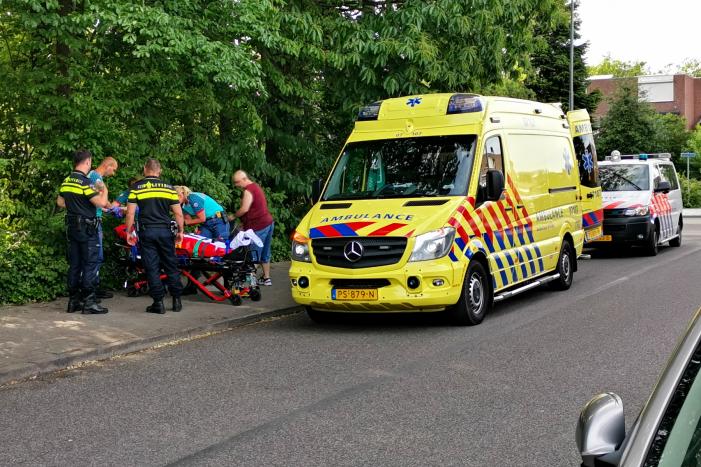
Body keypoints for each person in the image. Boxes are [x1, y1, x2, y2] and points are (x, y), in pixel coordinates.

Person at [125, 159, 185, 314]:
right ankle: (177, 300)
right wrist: (180, 231)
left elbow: (130, 212)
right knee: (171, 264)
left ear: (145, 169)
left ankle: (158, 303)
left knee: (152, 267)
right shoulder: (169, 188)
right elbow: (178, 213)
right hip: (165, 232)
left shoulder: (136, 187)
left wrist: (128, 231)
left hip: (147, 232)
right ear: (160, 171)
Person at [56, 149, 109, 314]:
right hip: (87, 228)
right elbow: (101, 203)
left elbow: (60, 202)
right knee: (90, 264)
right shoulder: (85, 182)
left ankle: (73, 301)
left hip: (72, 227)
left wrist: (76, 205)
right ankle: (89, 302)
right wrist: (103, 189)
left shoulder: (67, 180)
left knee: (75, 264)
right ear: (87, 162)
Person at [230, 170, 274, 286]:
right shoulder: (256, 187)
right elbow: (255, 209)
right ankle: (266, 278)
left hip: (258, 226)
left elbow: (244, 209)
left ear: (244, 179)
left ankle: (251, 284)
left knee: (253, 255)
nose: (236, 185)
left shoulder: (248, 191)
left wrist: (234, 216)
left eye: (237, 182)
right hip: (268, 222)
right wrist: (243, 224)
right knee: (265, 252)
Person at [87, 156, 118, 299]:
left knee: (95, 256)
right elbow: (103, 202)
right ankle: (91, 289)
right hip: (93, 221)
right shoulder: (96, 178)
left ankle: (94, 286)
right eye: (114, 169)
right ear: (108, 165)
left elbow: (95, 201)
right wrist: (116, 209)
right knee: (96, 257)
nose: (113, 173)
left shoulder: (93, 176)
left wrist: (107, 209)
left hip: (93, 217)